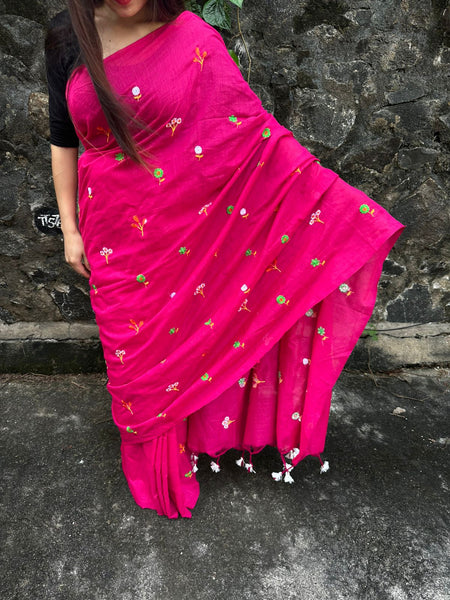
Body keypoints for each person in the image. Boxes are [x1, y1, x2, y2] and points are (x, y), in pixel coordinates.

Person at [45, 0, 404, 519]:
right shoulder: (67, 35)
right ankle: (152, 451)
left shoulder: (190, 36)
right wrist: (70, 228)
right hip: (113, 230)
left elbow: (245, 132)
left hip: (185, 225)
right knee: (133, 353)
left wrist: (335, 207)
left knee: (189, 335)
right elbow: (62, 139)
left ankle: (187, 440)